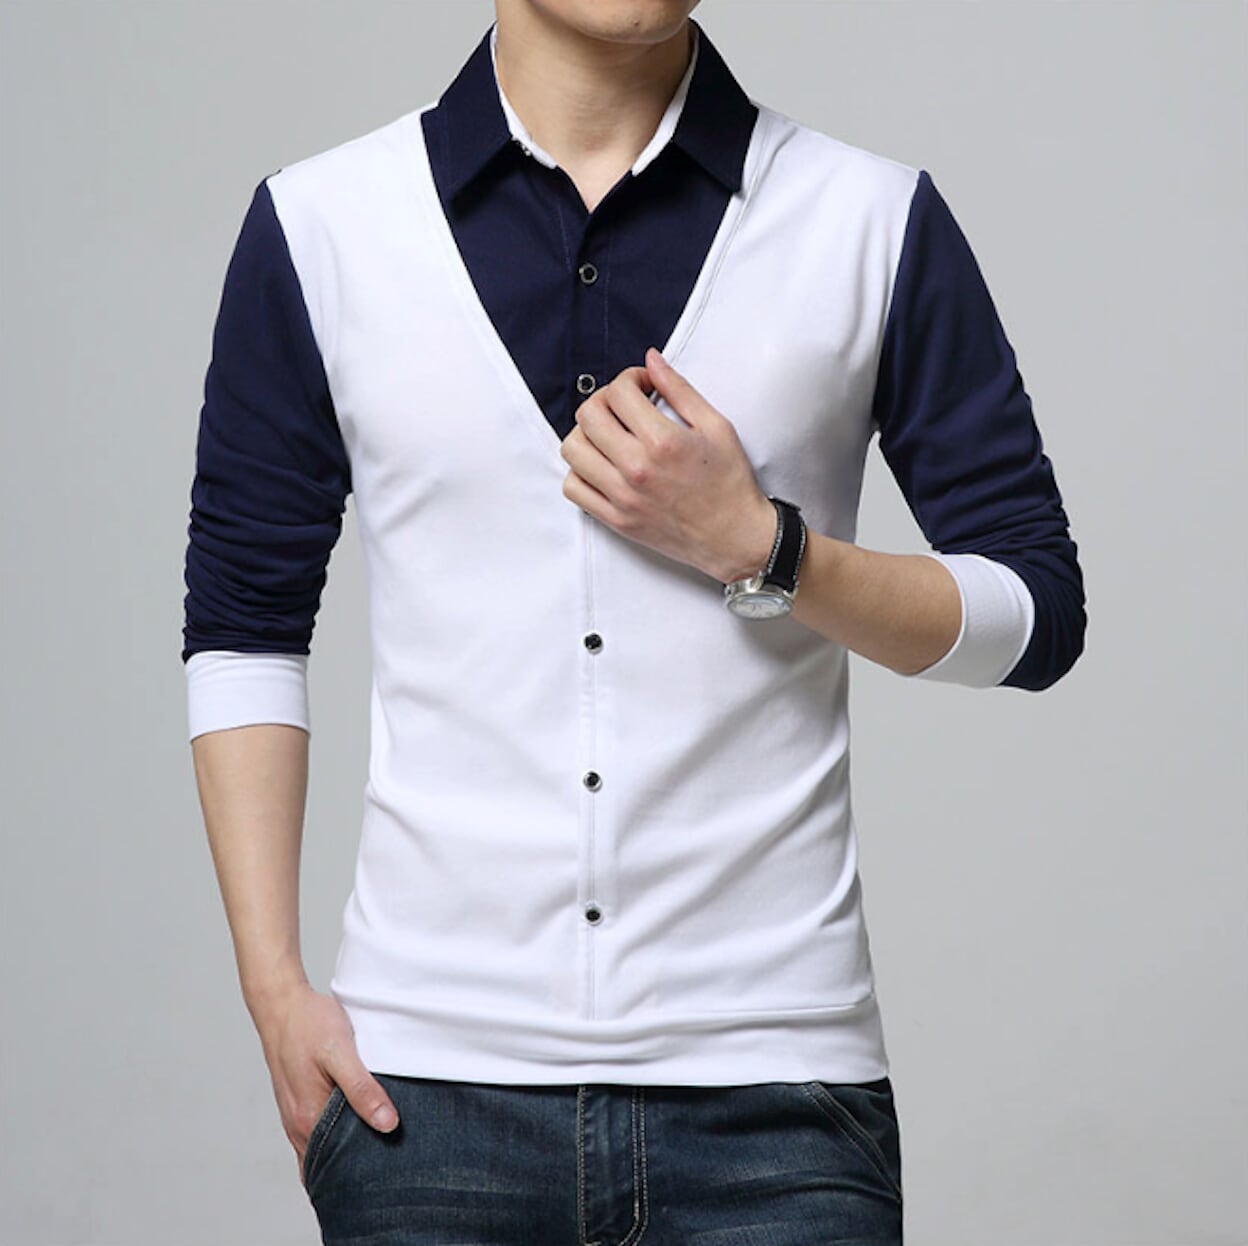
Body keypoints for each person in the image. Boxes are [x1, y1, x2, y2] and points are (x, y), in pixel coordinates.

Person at [181, 1, 1085, 1241]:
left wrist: (767, 548)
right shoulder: (324, 224)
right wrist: (273, 988)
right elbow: (244, 630)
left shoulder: (867, 219)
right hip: (423, 1096)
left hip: (780, 1095)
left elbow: (1037, 614)